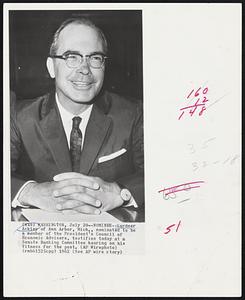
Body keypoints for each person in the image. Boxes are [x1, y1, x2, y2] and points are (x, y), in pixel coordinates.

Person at [11, 17, 144, 216]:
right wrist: (28, 191)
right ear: (51, 67)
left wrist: (121, 192)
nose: (84, 69)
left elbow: (164, 172)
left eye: (95, 58)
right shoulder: (19, 117)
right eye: (72, 57)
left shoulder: (133, 114)